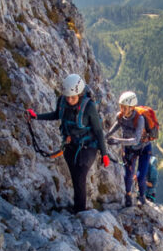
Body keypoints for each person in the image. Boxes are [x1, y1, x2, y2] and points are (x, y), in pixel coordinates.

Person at [27, 74, 109, 213]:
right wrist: (36, 116)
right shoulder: (63, 101)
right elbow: (56, 115)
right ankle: (77, 207)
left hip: (88, 147)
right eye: (67, 97)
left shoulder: (88, 107)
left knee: (80, 176)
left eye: (73, 97)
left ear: (80, 94)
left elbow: (98, 131)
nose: (70, 100)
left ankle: (80, 211)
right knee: (74, 176)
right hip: (70, 145)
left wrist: (104, 153)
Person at [107, 91, 152, 207]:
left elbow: (136, 139)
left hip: (144, 148)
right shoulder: (120, 116)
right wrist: (105, 136)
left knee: (141, 177)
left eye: (124, 107)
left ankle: (142, 196)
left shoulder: (139, 119)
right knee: (128, 175)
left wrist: (117, 141)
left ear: (132, 107)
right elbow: (116, 125)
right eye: (121, 106)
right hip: (130, 149)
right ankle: (128, 196)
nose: (122, 109)